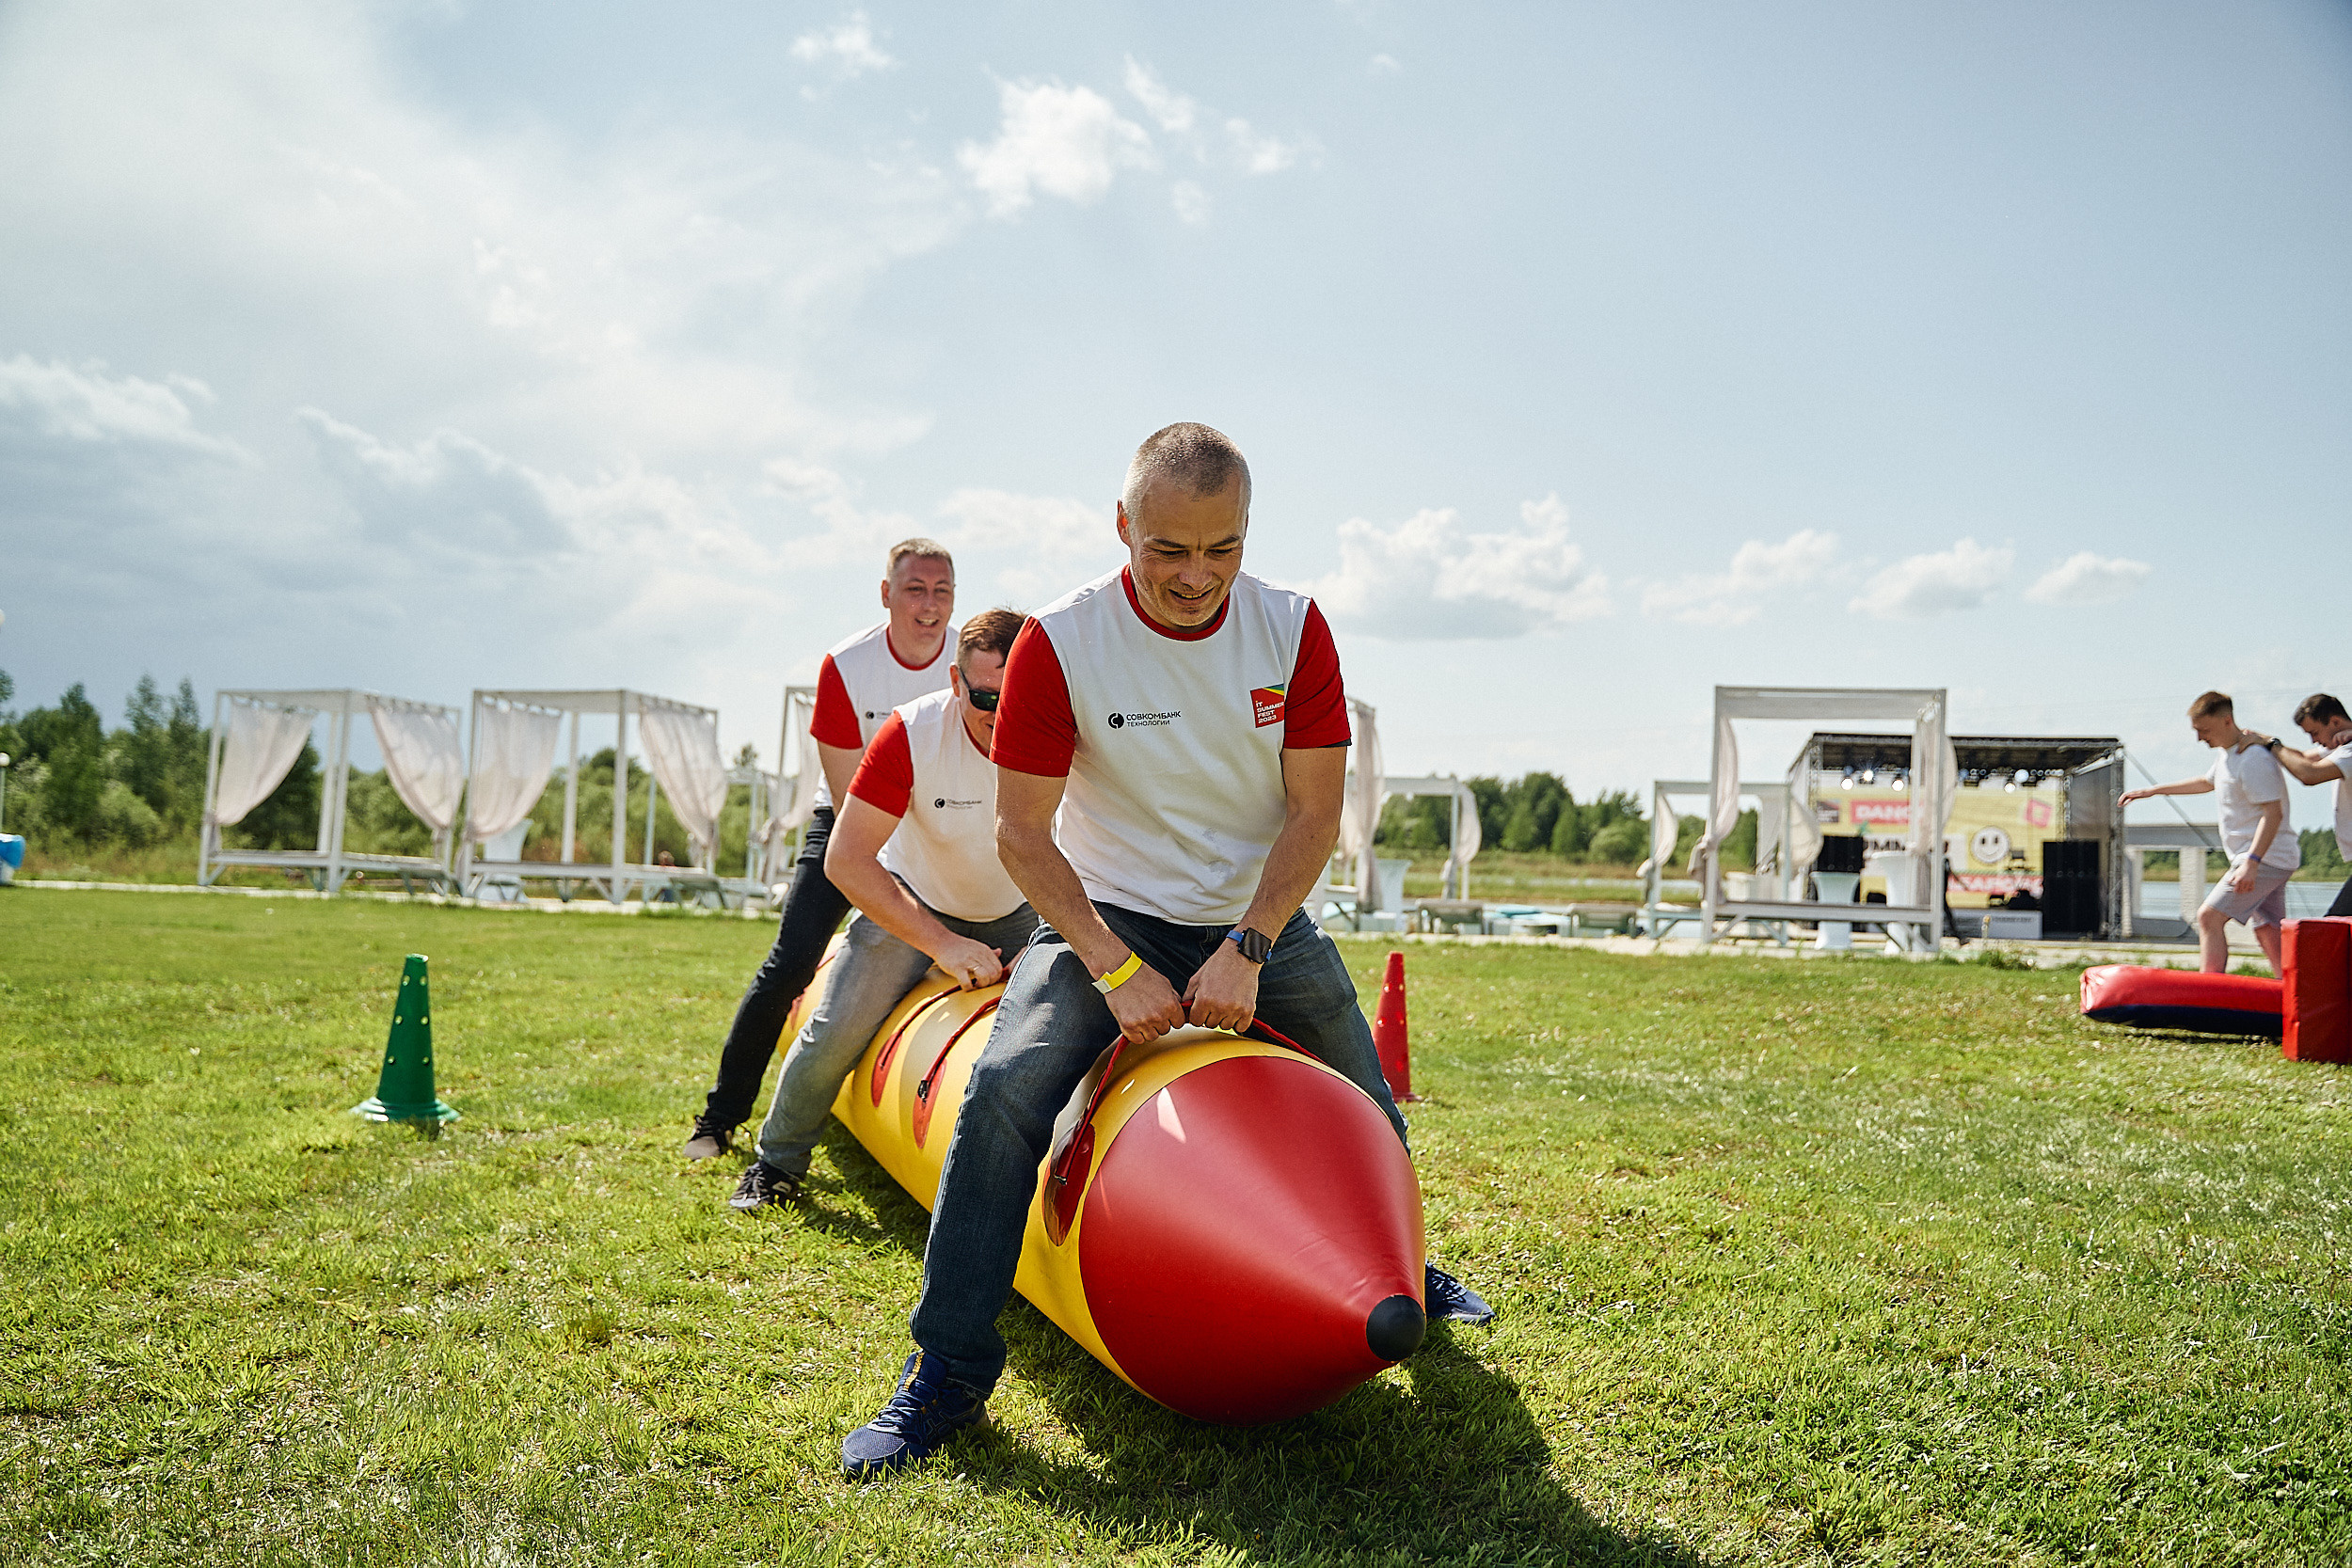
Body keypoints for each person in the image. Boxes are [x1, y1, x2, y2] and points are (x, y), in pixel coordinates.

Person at [840, 422, 1492, 1478]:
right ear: (1122, 527)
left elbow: (1313, 814)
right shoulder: (1063, 640)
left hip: (1255, 913)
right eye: (1169, 550)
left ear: (1246, 534)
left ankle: (1403, 1266)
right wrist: (1108, 961)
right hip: (1113, 912)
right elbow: (1020, 833)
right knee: (1005, 1088)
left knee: (1364, 1088)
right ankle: (945, 1374)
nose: (1197, 577)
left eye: (1221, 549)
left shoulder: (1292, 629)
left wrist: (1249, 942)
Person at [730, 610, 1040, 1208]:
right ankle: (778, 1162)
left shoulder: (1060, 730)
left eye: (1016, 695)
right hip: (917, 900)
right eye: (984, 696)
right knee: (836, 1032)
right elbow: (845, 860)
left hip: (1022, 907)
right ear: (955, 682)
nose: (1001, 714)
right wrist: (943, 946)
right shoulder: (912, 732)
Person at [682, 541, 960, 1161]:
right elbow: (846, 799)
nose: (929, 604)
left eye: (943, 590)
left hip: (942, 822)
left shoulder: (971, 661)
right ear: (886, 593)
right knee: (791, 961)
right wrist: (897, 901)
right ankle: (720, 1115)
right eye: (915, 588)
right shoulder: (847, 665)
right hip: (852, 822)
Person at [2119, 689, 2299, 973]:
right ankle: (2289, 992)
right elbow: (2206, 782)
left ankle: (2208, 989)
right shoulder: (2228, 755)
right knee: (2268, 928)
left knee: (2208, 918)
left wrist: (2252, 863)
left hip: (2264, 858)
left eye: (2204, 730)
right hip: (2270, 858)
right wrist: (2154, 791)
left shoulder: (2253, 759)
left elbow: (2273, 814)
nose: (2200, 738)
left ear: (2227, 721)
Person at [2248, 693, 2352, 918]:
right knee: (2338, 929)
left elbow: (2309, 774)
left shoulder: (2350, 749)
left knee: (2334, 928)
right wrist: (2265, 740)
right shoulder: (2340, 746)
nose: (2313, 740)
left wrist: (2272, 745)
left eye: (2314, 732)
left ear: (2334, 721)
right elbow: (2304, 757)